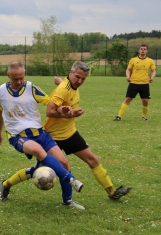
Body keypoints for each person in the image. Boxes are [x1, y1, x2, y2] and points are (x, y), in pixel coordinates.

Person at [0, 62, 84, 209]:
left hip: (40, 134)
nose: (19, 82)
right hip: (18, 136)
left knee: (64, 163)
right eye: (15, 79)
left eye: (21, 78)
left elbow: (51, 103)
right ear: (8, 75)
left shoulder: (32, 88)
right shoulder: (0, 92)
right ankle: (71, 179)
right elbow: (0, 112)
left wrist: (64, 110)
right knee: (38, 151)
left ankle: (67, 201)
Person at [44, 61, 131, 200]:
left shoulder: (70, 84)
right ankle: (6, 184)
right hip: (53, 137)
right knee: (39, 169)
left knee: (92, 160)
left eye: (83, 79)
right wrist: (69, 114)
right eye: (77, 77)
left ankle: (112, 192)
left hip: (70, 133)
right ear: (70, 72)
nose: (79, 81)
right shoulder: (63, 88)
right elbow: (49, 112)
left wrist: (60, 82)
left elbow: (66, 87)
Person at [114, 44, 156, 121]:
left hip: (144, 84)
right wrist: (128, 76)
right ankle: (119, 116)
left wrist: (152, 78)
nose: (143, 50)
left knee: (145, 101)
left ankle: (144, 116)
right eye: (141, 49)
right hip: (133, 83)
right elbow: (128, 69)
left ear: (147, 51)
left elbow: (153, 71)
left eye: (144, 49)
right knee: (127, 99)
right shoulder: (133, 60)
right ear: (139, 50)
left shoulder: (150, 61)